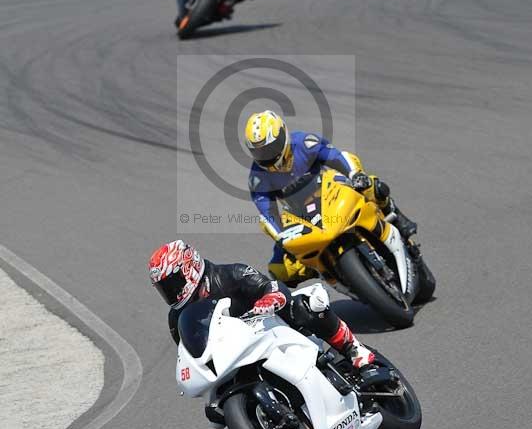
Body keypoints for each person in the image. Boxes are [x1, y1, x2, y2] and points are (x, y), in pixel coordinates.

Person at [148, 239, 376, 373]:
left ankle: (351, 347)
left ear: (190, 267)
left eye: (173, 282)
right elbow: (192, 356)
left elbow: (271, 286)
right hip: (240, 356)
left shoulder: (229, 274)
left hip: (274, 326)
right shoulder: (176, 318)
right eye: (164, 288)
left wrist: (269, 298)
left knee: (306, 305)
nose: (171, 292)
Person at [245, 109, 419, 282]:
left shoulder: (304, 143)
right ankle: (323, 268)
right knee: (279, 271)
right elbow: (267, 213)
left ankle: (397, 217)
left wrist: (354, 174)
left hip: (329, 189)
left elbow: (336, 156)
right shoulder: (257, 178)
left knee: (372, 186)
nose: (266, 156)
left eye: (270, 148)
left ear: (283, 136)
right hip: (299, 215)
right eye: (259, 152)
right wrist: (280, 235)